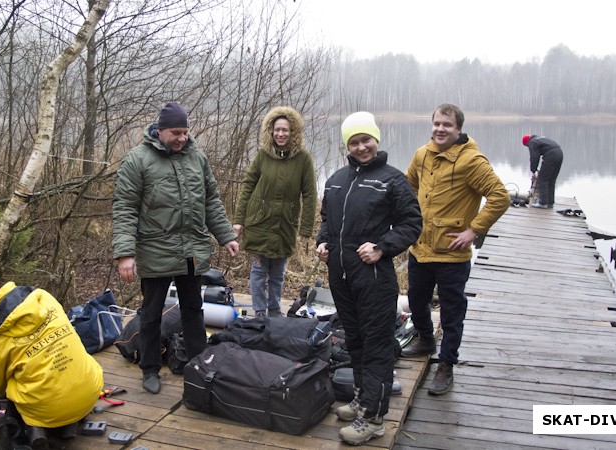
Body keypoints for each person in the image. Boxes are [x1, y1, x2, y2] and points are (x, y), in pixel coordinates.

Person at [112, 102, 239, 395]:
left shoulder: (197, 157)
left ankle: (199, 364)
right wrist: (125, 254)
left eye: (185, 132)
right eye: (175, 132)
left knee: (194, 310)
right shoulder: (137, 160)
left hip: (191, 251)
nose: (182, 138)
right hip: (155, 251)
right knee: (151, 314)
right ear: (159, 130)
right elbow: (125, 209)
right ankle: (150, 368)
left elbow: (211, 201)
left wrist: (225, 235)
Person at [316, 111, 422, 445]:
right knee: (356, 342)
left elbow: (411, 223)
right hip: (342, 276)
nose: (362, 147)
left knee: (376, 347)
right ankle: (362, 399)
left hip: (374, 277)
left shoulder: (392, 179)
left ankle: (375, 419)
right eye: (355, 142)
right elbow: (326, 220)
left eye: (367, 140)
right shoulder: (335, 179)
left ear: (376, 140)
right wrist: (322, 241)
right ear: (347, 145)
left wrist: (382, 247)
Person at [401, 103, 510, 396]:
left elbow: (500, 196)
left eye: (447, 125)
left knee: (451, 313)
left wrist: (473, 230)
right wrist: (408, 220)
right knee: (415, 299)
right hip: (420, 248)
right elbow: (408, 186)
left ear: (458, 129)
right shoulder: (422, 155)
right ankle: (425, 339)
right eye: (437, 123)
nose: (440, 129)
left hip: (452, 254)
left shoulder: (471, 161)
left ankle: (446, 365)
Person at [0, 274, 103, 437]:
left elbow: (0, 386)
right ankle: (69, 417)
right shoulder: (42, 297)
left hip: (48, 411)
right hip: (92, 390)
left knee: (11, 381)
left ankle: (41, 429)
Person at [233, 106, 317, 318]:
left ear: (293, 132)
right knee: (259, 272)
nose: (280, 134)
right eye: (277, 129)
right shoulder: (263, 156)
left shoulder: (303, 159)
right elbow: (248, 186)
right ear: (270, 131)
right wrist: (239, 220)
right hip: (259, 222)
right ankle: (260, 311)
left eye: (285, 130)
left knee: (278, 274)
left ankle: (274, 310)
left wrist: (306, 227)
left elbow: (309, 194)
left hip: (285, 225)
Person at [522, 134, 564, 208]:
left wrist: (533, 170)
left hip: (551, 155)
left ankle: (543, 202)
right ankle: (550, 202)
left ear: (527, 143)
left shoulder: (532, 143)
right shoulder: (539, 139)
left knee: (542, 179)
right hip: (559, 153)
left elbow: (534, 157)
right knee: (551, 179)